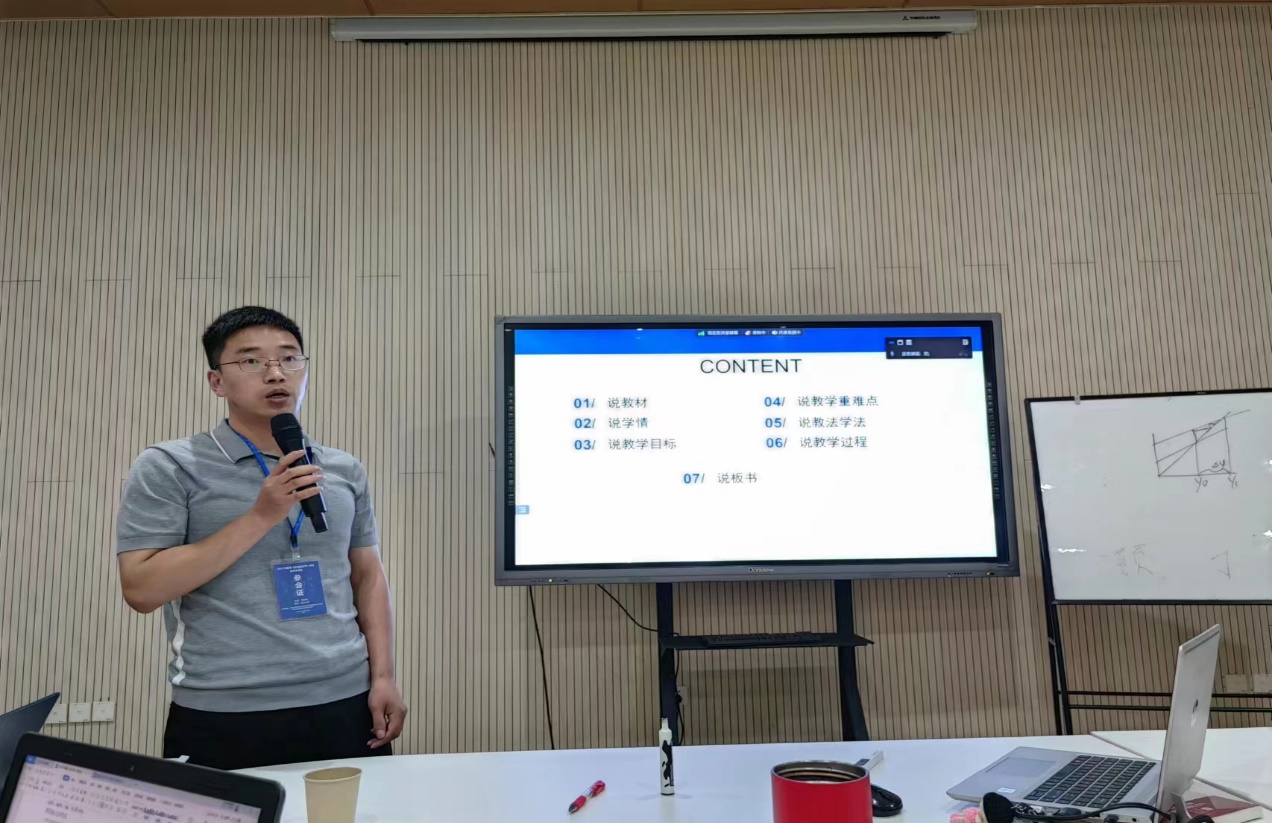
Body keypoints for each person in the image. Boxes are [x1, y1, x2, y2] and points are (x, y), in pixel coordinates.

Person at [115, 306, 406, 770]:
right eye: (251, 361)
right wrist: (261, 516)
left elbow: (367, 575)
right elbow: (142, 589)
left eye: (289, 358)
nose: (275, 373)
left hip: (345, 698)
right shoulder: (170, 466)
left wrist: (384, 676)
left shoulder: (342, 468)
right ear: (216, 382)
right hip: (223, 708)